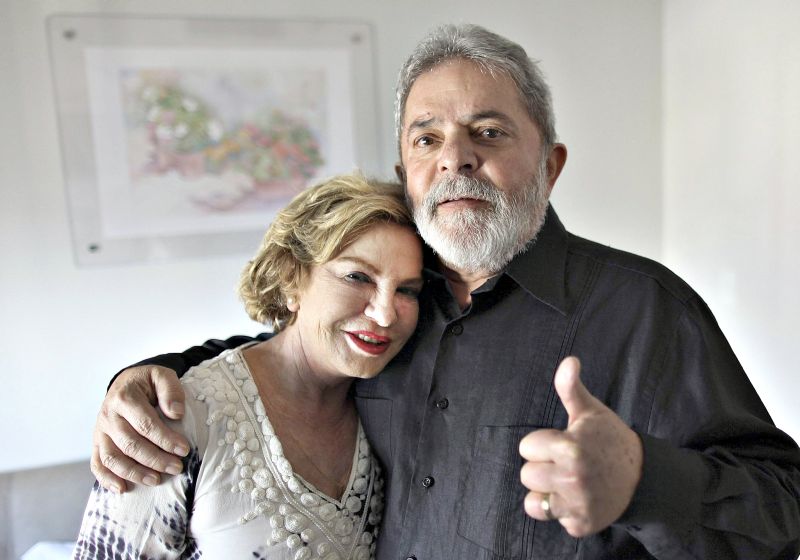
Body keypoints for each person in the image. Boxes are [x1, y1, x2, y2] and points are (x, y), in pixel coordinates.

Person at [91, 24, 800, 559]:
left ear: (550, 167)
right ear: (407, 175)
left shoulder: (645, 310)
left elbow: (783, 508)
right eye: (426, 138)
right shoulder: (393, 309)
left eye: (488, 132)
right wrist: (145, 380)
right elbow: (285, 354)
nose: (456, 157)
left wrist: (645, 481)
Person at [74, 173, 425, 559]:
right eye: (357, 277)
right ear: (292, 280)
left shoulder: (386, 405)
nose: (385, 314)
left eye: (407, 290)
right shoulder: (179, 416)